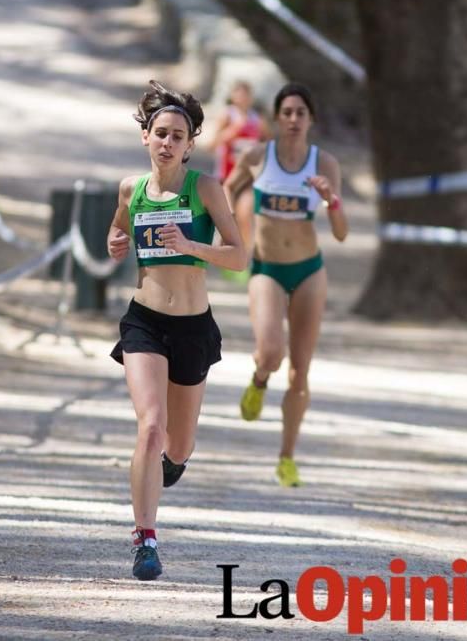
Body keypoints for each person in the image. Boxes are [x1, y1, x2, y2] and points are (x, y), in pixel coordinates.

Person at [107, 80, 246, 581]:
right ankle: (145, 539)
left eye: (178, 136)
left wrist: (191, 245)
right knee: (150, 426)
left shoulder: (205, 189)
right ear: (146, 137)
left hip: (192, 327)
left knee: (178, 445)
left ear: (190, 145)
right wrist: (116, 243)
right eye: (160, 133)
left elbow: (239, 255)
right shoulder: (131, 188)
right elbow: (119, 226)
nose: (167, 143)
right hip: (144, 320)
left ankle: (168, 466)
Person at [223, 82, 348, 488]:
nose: (294, 119)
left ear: (311, 120)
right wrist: (226, 237)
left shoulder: (324, 163)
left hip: (310, 271)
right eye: (287, 112)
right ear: (277, 118)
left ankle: (286, 457)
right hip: (268, 269)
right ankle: (259, 378)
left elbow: (342, 233)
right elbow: (226, 189)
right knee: (272, 352)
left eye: (301, 113)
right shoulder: (259, 156)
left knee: (300, 372)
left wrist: (331, 201)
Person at [210, 81, 270, 262]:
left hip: (248, 178)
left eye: (246, 94)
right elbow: (212, 144)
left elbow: (269, 145)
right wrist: (234, 130)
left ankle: (243, 258)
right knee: (228, 218)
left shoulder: (257, 120)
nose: (243, 98)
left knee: (245, 216)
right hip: (225, 176)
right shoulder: (227, 116)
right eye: (239, 93)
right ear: (233, 96)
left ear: (251, 98)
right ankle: (225, 255)